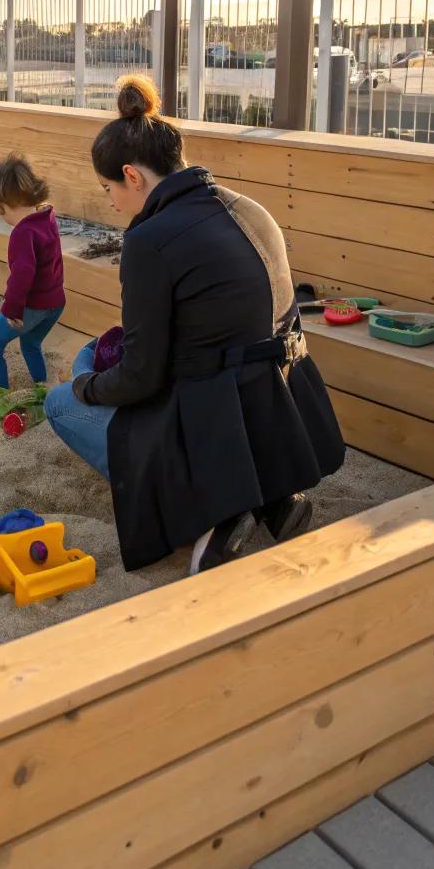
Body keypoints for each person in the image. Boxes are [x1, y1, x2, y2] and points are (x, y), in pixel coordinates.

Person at [44, 75, 345, 575]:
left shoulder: (148, 241)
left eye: (108, 189)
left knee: (64, 395)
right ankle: (270, 497)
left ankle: (214, 510)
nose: (112, 202)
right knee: (97, 356)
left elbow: (142, 378)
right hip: (277, 408)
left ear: (131, 176)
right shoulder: (249, 208)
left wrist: (86, 386)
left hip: (213, 413)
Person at [0, 155, 66, 389]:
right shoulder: (47, 217)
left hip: (33, 307)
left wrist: (12, 308)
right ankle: (41, 387)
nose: (1, 216)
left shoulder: (22, 233)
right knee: (31, 344)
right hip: (56, 302)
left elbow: (22, 274)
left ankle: (2, 395)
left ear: (4, 205)